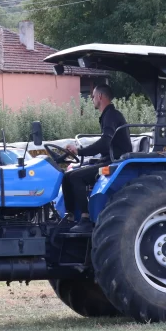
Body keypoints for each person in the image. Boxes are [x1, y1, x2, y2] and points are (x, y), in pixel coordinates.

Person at [62, 84, 131, 232]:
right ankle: (70, 216)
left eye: (93, 96)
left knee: (76, 178)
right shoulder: (109, 115)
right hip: (109, 158)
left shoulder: (111, 115)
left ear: (100, 96)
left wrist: (80, 151)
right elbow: (107, 144)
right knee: (67, 176)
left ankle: (85, 218)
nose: (92, 100)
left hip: (115, 162)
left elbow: (106, 142)